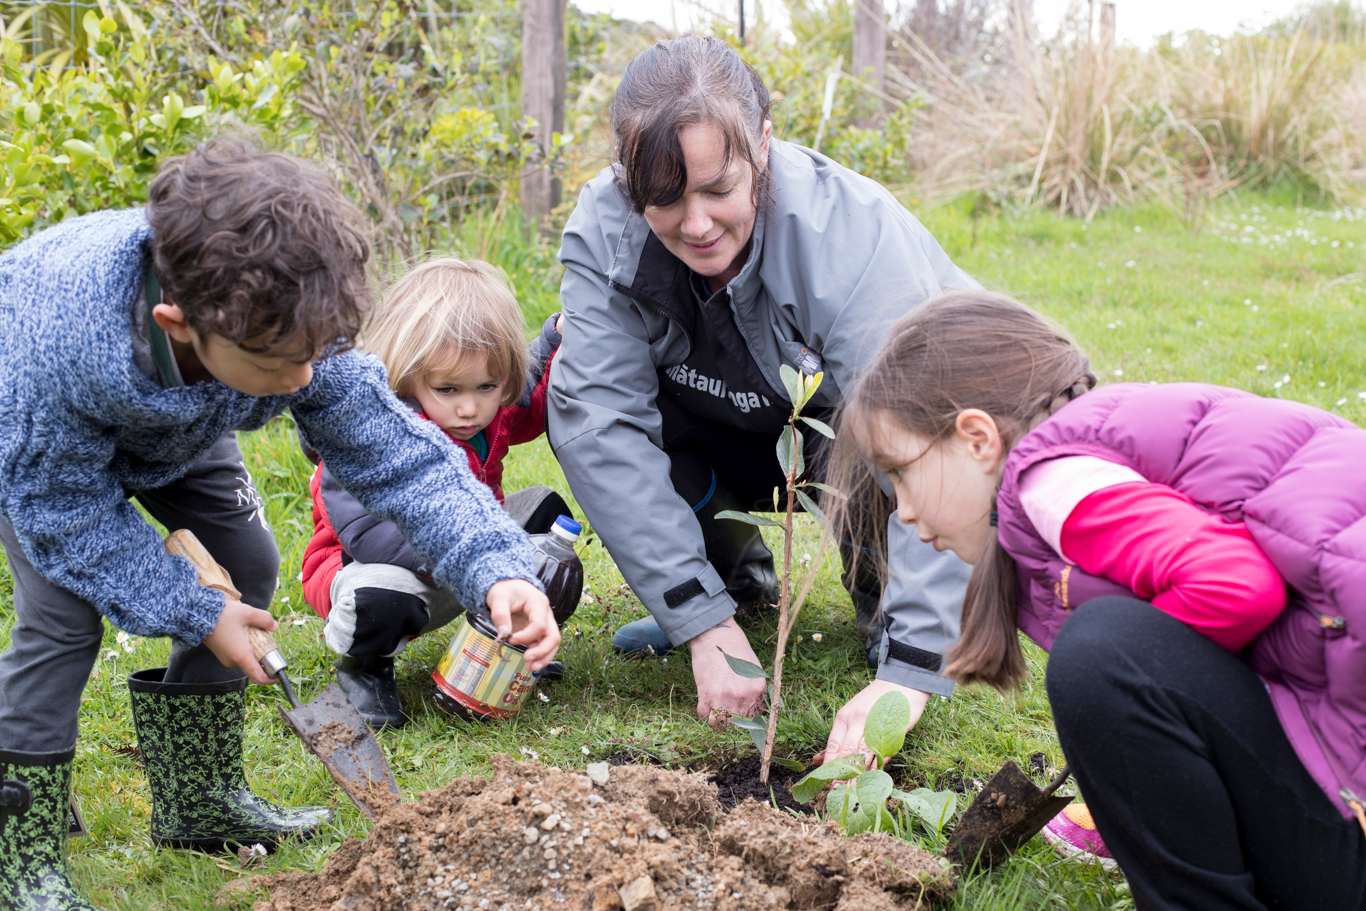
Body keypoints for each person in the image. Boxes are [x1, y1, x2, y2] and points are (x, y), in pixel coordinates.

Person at [0, 140, 558, 911]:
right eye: (281, 365)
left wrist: (497, 564)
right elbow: (67, 517)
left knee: (246, 561)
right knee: (62, 620)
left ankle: (199, 797)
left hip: (191, 416)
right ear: (181, 322)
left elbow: (403, 457)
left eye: (313, 355)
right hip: (39, 443)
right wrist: (196, 608)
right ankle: (19, 850)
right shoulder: (57, 342)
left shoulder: (287, 318)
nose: (303, 382)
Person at [826, 289, 1366, 909]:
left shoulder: (1055, 483)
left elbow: (1235, 589)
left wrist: (1140, 722)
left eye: (900, 472)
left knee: (1106, 655)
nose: (906, 509)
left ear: (977, 438)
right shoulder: (1107, 446)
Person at [549, 35, 975, 732]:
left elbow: (934, 436)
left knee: (883, 426)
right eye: (664, 200)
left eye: (719, 189)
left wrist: (910, 675)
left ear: (763, 145)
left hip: (856, 440)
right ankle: (727, 589)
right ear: (628, 179)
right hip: (726, 427)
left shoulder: (851, 238)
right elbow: (600, 423)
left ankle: (888, 600)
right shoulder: (603, 233)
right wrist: (699, 620)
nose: (696, 225)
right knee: (566, 363)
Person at [301, 258, 571, 728]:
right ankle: (364, 667)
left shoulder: (489, 407)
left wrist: (560, 335)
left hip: (469, 555)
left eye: (487, 386)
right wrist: (471, 566)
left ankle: (508, 644)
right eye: (448, 389)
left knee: (548, 525)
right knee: (379, 598)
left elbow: (530, 395)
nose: (470, 408)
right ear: (407, 376)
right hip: (379, 563)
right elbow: (370, 534)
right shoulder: (371, 435)